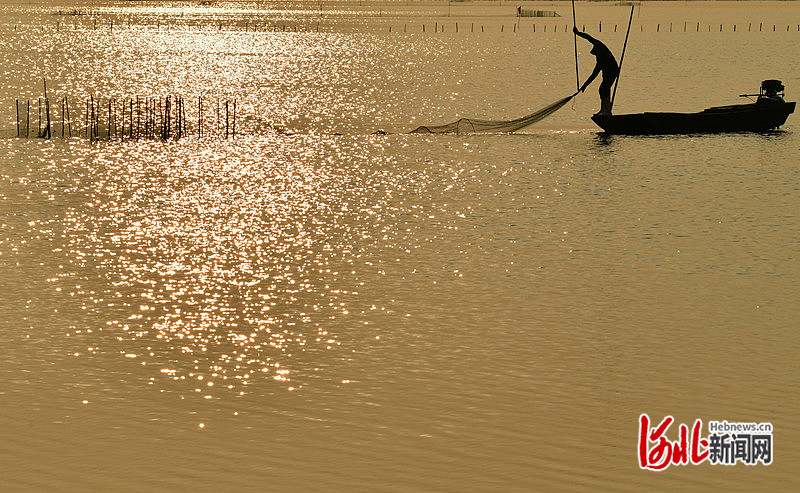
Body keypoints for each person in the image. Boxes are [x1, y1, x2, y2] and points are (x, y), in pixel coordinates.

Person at [573, 27, 619, 115]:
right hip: (607, 73)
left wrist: (578, 33)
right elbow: (594, 75)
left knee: (604, 88)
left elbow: (588, 37)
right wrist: (585, 86)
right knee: (604, 89)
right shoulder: (599, 61)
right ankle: (605, 110)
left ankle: (606, 110)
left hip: (613, 71)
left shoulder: (600, 46)